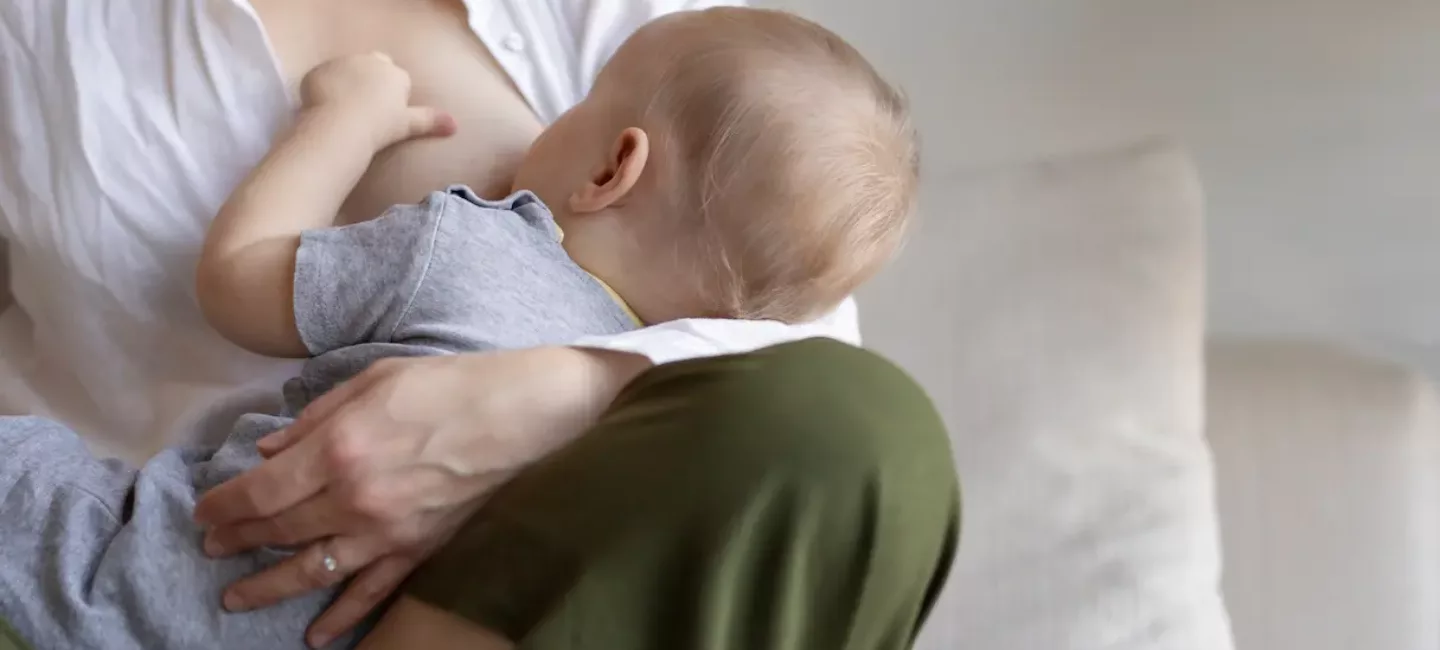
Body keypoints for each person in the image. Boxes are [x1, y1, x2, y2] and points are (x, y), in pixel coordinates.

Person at [0, 2, 958, 649]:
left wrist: (342, 122)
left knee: (859, 428)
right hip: (358, 603)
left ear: (612, 168)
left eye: (580, 110)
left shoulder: (457, 240)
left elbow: (240, 279)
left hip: (169, 569)